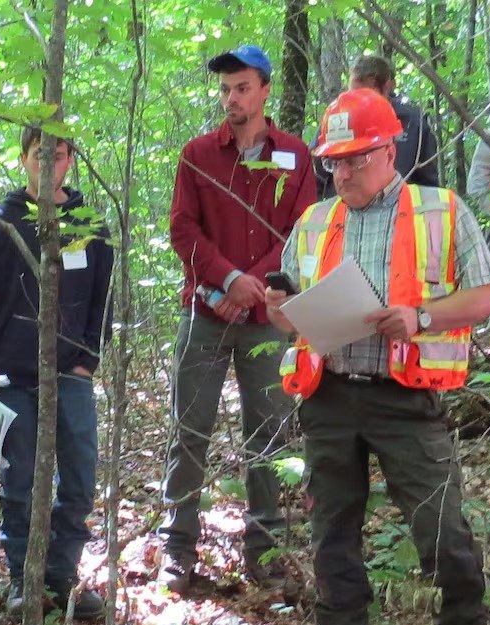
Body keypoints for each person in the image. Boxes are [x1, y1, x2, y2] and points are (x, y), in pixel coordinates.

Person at [269, 88, 490, 625]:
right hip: (329, 399)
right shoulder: (315, 220)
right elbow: (284, 310)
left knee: (445, 541)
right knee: (332, 546)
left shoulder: (441, 209)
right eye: (334, 160)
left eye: (355, 158)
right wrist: (279, 308)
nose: (341, 171)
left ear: (390, 151)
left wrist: (419, 317)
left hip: (407, 399)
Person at [161, 44, 316, 594]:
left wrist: (253, 288)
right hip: (205, 311)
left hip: (267, 316)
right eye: (225, 89)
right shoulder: (198, 154)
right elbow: (183, 230)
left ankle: (265, 548)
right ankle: (177, 548)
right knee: (188, 430)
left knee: (269, 433)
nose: (232, 98)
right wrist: (227, 280)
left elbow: (302, 234)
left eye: (242, 87)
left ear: (265, 89)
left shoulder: (296, 156)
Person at [0, 127, 113, 618]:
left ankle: (62, 576)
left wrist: (90, 357)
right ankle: (25, 580)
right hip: (12, 379)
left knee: (79, 479)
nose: (49, 164)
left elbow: (103, 301)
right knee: (19, 480)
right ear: (23, 159)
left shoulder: (90, 224)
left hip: (71, 374)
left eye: (60, 154)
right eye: (39, 154)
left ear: (70, 161)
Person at [314, 55, 439, 199]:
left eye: (366, 95)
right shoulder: (339, 117)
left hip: (399, 209)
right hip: (346, 208)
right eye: (354, 94)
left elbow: (428, 181)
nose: (359, 102)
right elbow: (317, 176)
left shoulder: (412, 121)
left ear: (386, 87)